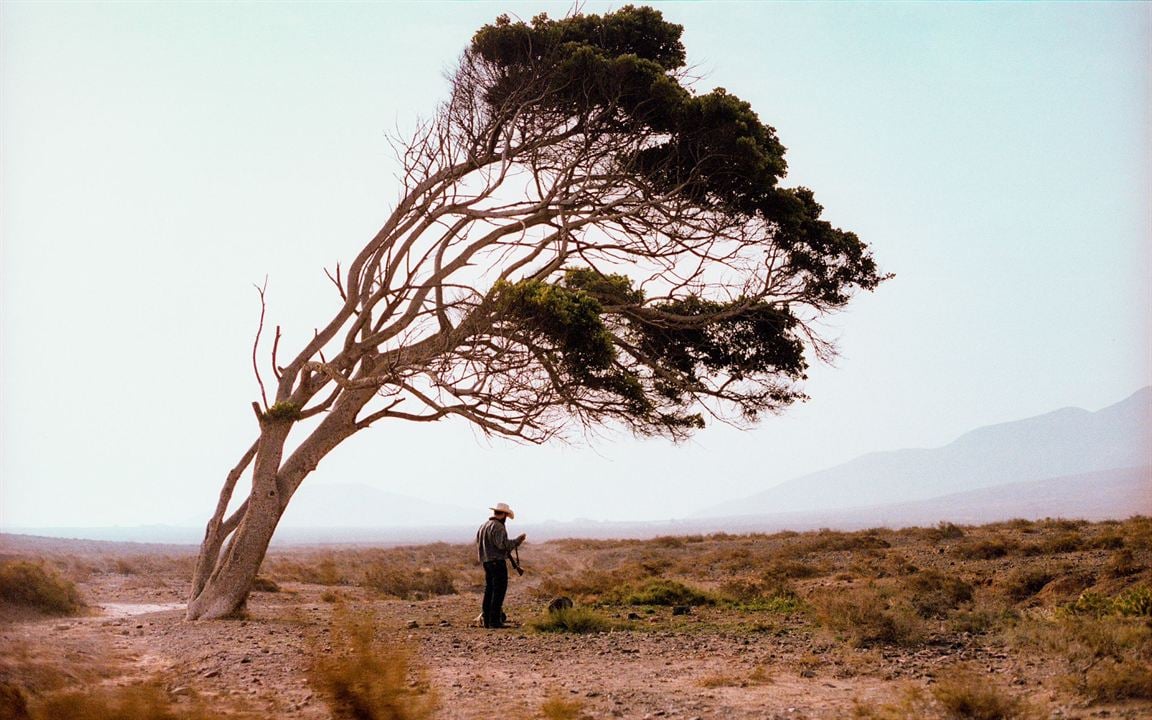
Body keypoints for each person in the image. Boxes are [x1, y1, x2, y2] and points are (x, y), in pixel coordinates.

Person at [475, 502, 526, 629]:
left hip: (487, 562)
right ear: (503, 514)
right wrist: (517, 541)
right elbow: (502, 545)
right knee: (498, 591)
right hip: (497, 562)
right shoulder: (498, 527)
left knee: (489, 590)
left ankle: (487, 620)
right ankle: (494, 621)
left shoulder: (484, 526)